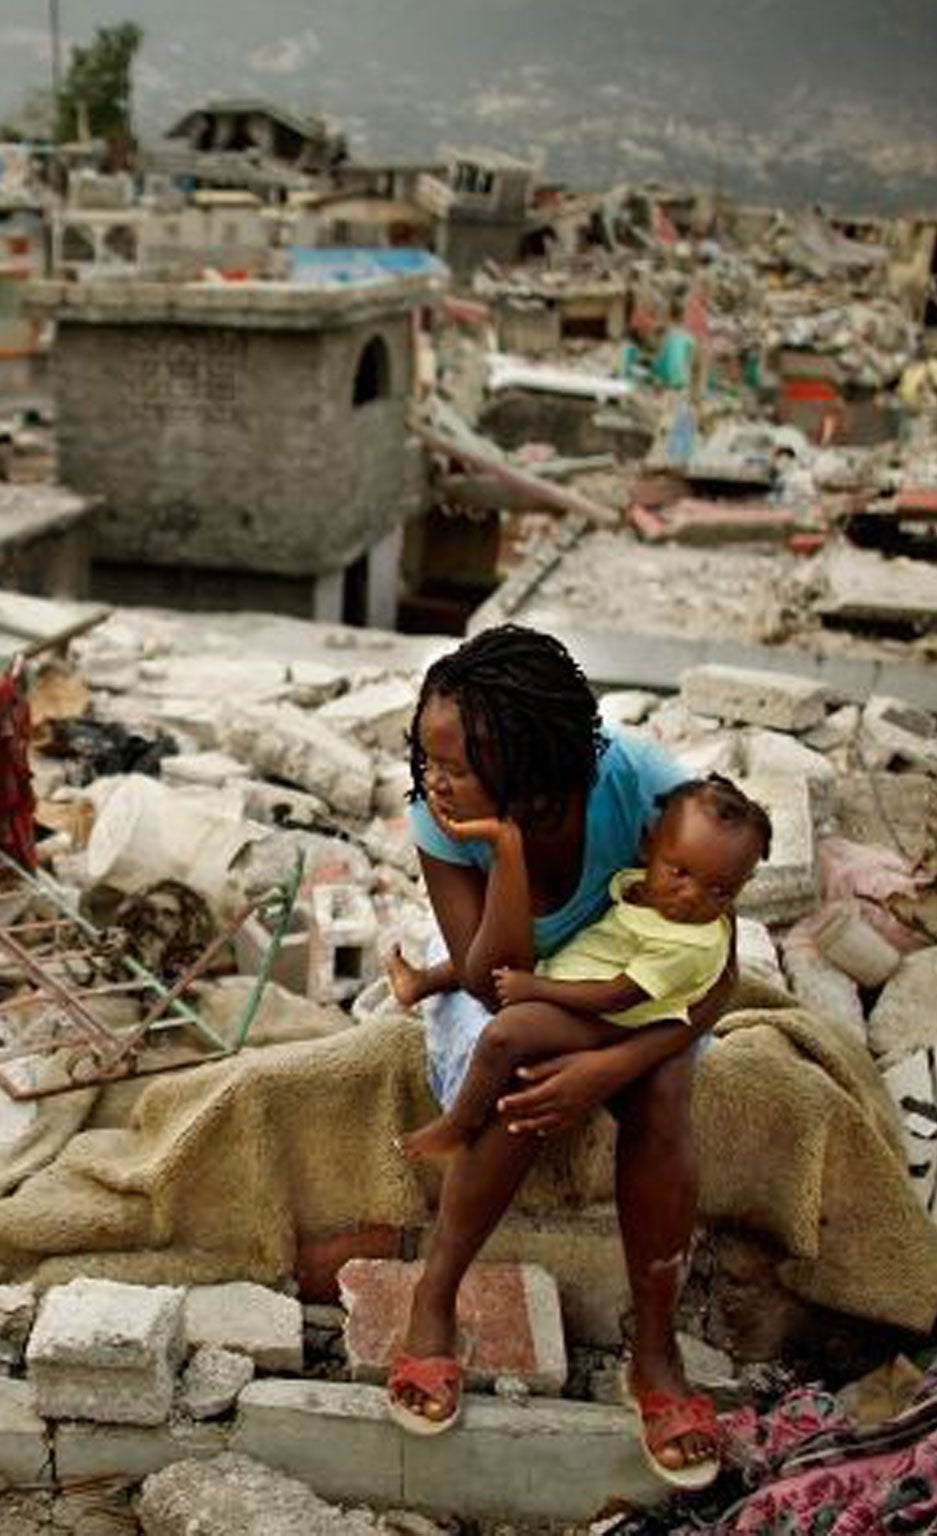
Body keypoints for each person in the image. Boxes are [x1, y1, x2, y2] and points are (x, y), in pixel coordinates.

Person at [380, 624, 738, 1492]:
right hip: (517, 991)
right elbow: (487, 979)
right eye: (428, 760)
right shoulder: (442, 816)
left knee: (664, 1095)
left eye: (457, 762)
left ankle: (652, 1352)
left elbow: (717, 971)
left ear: (534, 756)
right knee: (516, 1078)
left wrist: (614, 1069)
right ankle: (435, 1299)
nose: (434, 780)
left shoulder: (648, 789)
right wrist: (500, 844)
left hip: (626, 992)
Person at [398, 775, 771, 1161]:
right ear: (648, 846)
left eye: (720, 890)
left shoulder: (688, 942)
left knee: (503, 1037)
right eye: (679, 872)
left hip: (617, 1017)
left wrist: (536, 989)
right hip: (575, 974)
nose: (693, 896)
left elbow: (617, 995)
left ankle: (458, 1126)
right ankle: (423, 982)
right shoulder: (641, 884)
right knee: (486, 959)